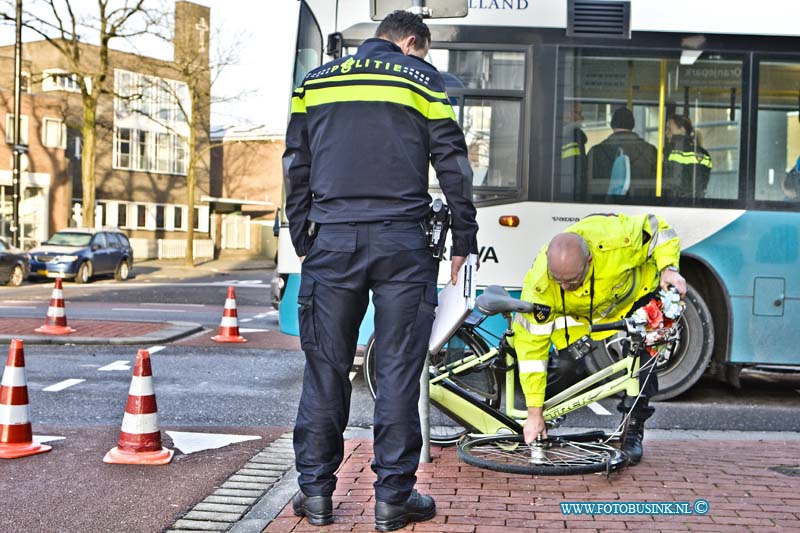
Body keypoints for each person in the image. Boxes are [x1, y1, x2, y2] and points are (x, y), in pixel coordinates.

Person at [282, 10, 479, 532]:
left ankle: (316, 495)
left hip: (332, 240)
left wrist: (306, 236)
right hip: (402, 243)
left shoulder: (314, 83)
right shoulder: (422, 80)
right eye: (425, 52)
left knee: (325, 367)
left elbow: (295, 164)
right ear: (411, 42)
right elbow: (453, 163)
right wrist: (464, 239)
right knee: (396, 370)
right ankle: (393, 499)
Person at [511, 212, 686, 465]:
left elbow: (657, 228)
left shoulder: (615, 239)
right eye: (559, 282)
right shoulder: (541, 284)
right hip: (584, 320)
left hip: (636, 295)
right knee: (566, 368)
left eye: (572, 281)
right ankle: (539, 422)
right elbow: (531, 351)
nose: (565, 288)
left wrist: (669, 269)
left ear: (590, 261)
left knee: (643, 358)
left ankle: (632, 429)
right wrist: (534, 411)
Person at [587, 107, 657, 196]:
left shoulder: (596, 152)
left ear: (612, 124)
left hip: (604, 207)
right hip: (642, 206)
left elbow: (586, 184)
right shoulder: (650, 151)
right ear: (632, 125)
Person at [663, 114, 712, 199]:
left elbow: (673, 183)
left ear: (682, 130)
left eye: (669, 129)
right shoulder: (704, 154)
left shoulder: (672, 152)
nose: (666, 133)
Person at [560, 101, 588, 198]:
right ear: (566, 115)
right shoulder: (572, 137)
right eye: (578, 113)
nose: (582, 118)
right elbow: (577, 171)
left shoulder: (561, 135)